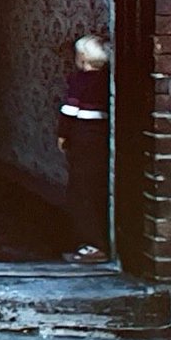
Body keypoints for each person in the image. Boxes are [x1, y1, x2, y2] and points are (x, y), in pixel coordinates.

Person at [58, 34, 111, 264]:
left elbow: (69, 111)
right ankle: (98, 242)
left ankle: (92, 245)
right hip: (100, 138)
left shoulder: (80, 81)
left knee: (81, 191)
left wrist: (62, 135)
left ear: (82, 57)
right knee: (96, 187)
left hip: (82, 138)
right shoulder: (106, 80)